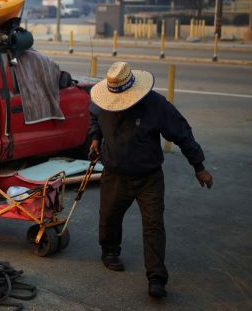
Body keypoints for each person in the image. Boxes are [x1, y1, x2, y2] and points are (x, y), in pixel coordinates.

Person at [88, 61, 213, 299]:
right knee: (109, 216)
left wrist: (198, 166)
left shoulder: (155, 105)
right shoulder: (102, 101)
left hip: (148, 177)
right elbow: (94, 117)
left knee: (154, 225)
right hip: (115, 173)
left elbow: (182, 132)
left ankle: (156, 278)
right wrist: (95, 138)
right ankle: (110, 252)